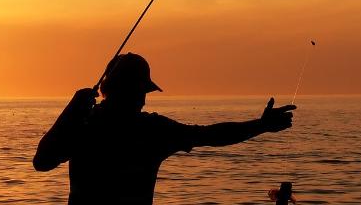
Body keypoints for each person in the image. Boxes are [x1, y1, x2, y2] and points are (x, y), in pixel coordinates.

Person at [33, 52, 296, 204]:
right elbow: (211, 135)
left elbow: (42, 161)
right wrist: (261, 126)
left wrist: (72, 111)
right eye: (141, 91)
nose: (143, 98)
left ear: (104, 89)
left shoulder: (84, 126)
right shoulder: (151, 130)